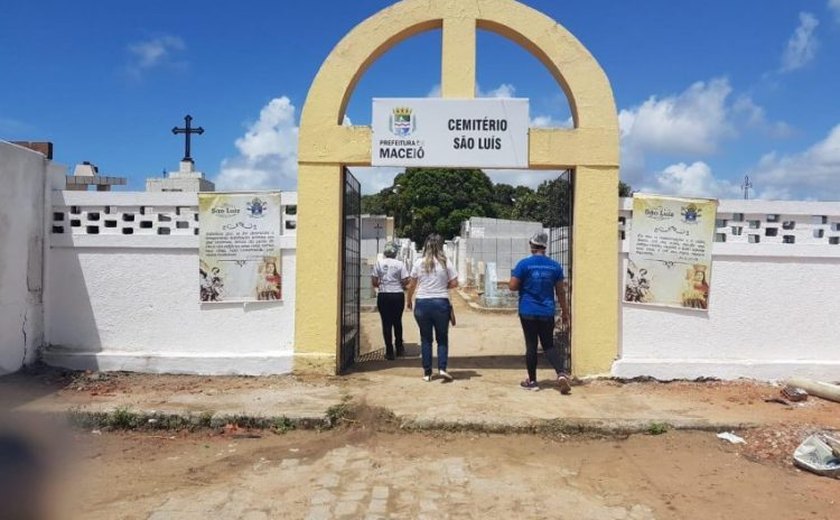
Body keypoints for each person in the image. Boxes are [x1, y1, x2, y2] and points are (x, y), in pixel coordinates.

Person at [509, 231, 572, 394]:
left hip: (527, 310)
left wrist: (521, 280)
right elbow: (560, 292)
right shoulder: (555, 266)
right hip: (547, 311)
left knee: (531, 346)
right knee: (548, 345)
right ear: (544, 246)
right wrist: (565, 312)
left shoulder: (524, 264)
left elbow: (512, 286)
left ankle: (532, 381)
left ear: (532, 246)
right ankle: (561, 373)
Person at [407, 234, 458, 382]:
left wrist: (408, 300)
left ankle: (427, 373)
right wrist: (443, 286)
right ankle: (442, 368)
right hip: (441, 303)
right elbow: (454, 283)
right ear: (440, 246)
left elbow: (412, 284)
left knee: (425, 339)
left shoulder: (418, 263)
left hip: (422, 303)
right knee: (442, 338)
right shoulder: (445, 262)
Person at [371, 241, 409, 360]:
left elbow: (374, 281)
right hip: (397, 295)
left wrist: (382, 283)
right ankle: (399, 348)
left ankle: (389, 351)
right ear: (395, 252)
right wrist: (399, 283)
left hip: (384, 295)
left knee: (386, 322)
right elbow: (405, 280)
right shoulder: (400, 264)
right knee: (397, 321)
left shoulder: (379, 264)